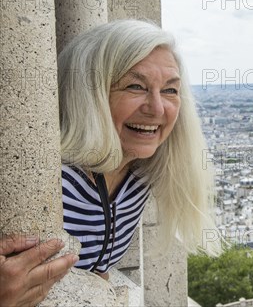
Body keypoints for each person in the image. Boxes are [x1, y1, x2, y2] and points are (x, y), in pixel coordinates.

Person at [0, 20, 219, 303]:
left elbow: (96, 271)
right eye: (135, 86)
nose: (156, 108)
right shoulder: (45, 179)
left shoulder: (138, 179)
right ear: (88, 95)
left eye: (170, 90)